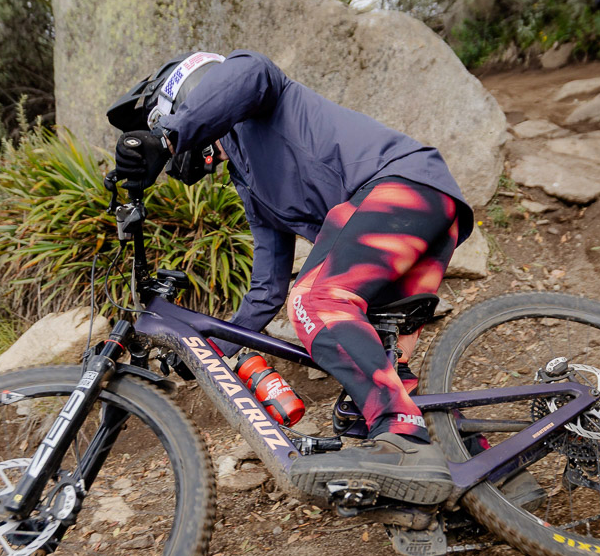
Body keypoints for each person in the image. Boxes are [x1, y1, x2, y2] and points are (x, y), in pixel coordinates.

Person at [108, 50, 472, 506]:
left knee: (317, 301)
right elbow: (266, 291)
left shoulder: (255, 93)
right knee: (373, 384)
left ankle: (402, 437)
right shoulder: (252, 185)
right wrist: (207, 349)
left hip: (403, 186)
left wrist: (166, 138)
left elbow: (250, 76)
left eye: (173, 116)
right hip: (422, 209)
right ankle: (480, 473)